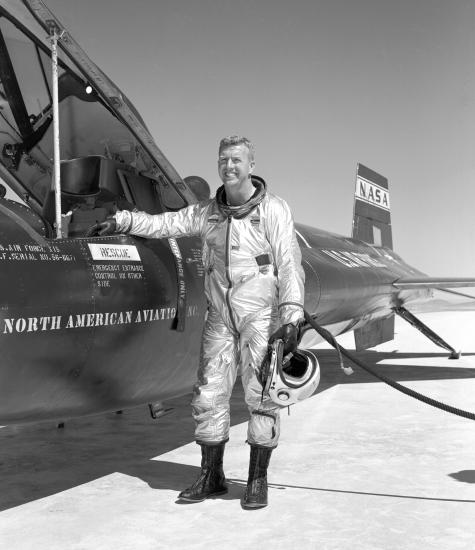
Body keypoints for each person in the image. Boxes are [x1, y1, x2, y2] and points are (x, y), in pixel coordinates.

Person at [90, 135, 305, 508]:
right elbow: (164, 224)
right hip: (220, 317)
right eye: (223, 160)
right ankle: (211, 475)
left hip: (261, 317)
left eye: (236, 160)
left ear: (251, 165)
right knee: (208, 395)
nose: (229, 166)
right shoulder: (208, 212)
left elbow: (289, 263)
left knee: (262, 395)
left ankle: (257, 478)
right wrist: (122, 219)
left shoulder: (273, 210)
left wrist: (292, 316)